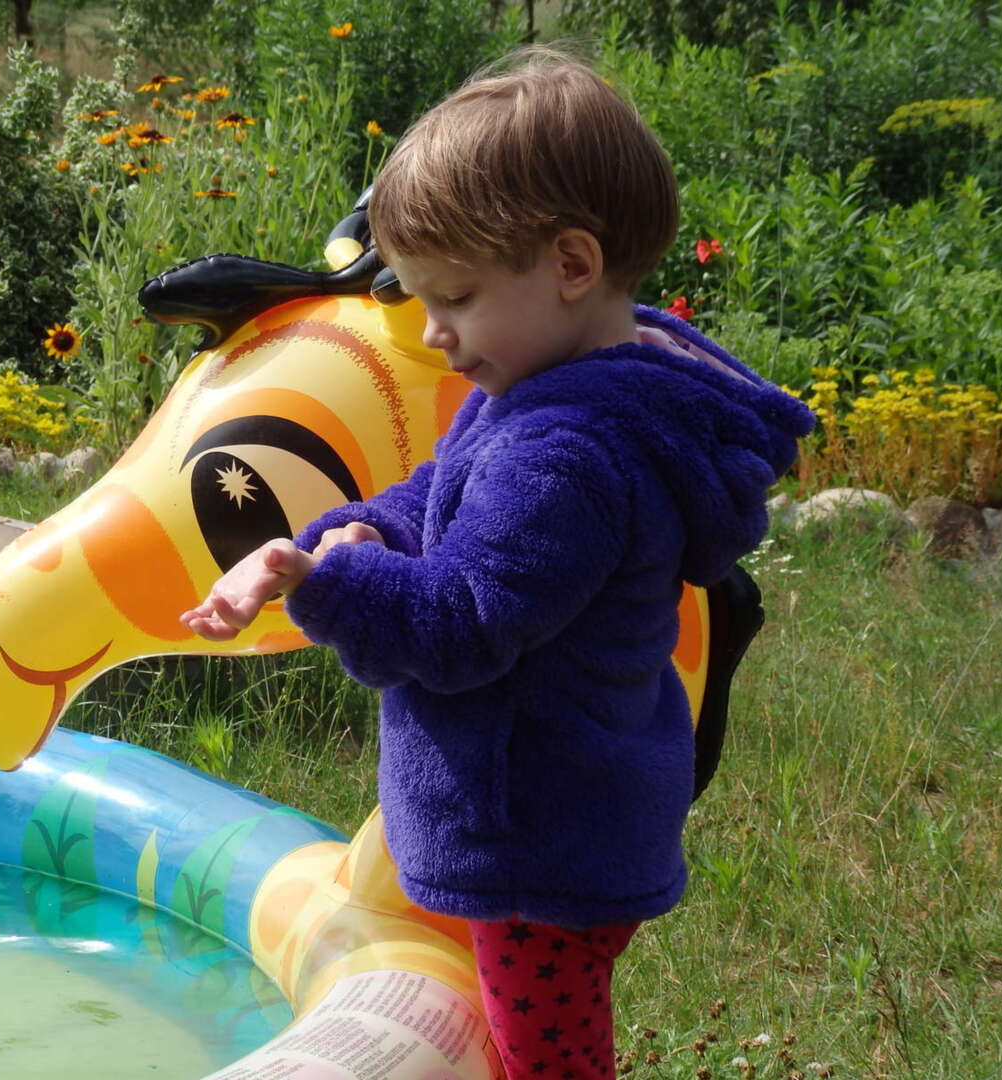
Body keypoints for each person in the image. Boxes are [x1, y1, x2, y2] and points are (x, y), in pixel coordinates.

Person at [180, 45, 813, 1080]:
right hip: (563, 806)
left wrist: (324, 583)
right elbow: (440, 495)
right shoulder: (554, 395)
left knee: (549, 1061)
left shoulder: (567, 454)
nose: (434, 332)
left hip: (538, 836)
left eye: (457, 296)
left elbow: (461, 623)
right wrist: (353, 534)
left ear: (571, 266)